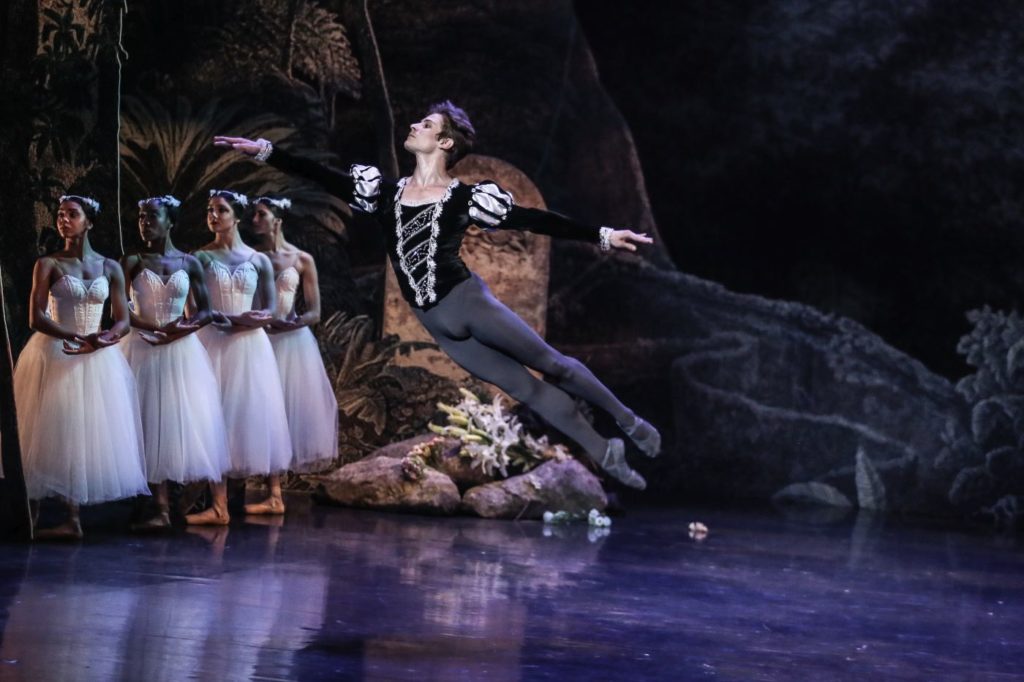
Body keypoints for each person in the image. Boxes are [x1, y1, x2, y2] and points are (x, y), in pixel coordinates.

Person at [214, 101, 660, 489]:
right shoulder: (385, 193)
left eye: (426, 125)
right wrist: (267, 152)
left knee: (551, 365)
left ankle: (629, 420)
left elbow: (531, 219)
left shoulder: (464, 197)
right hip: (437, 324)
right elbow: (325, 177)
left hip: (468, 303)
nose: (415, 126)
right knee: (527, 389)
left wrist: (601, 234)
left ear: (445, 143)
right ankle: (606, 453)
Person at [13, 194, 149, 538]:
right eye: (60, 215)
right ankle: (29, 514)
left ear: (89, 221)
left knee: (81, 431)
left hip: (95, 354)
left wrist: (104, 338)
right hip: (56, 349)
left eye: (72, 214)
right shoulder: (48, 264)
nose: (63, 220)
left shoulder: (110, 267)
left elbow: (122, 320)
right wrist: (75, 335)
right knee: (45, 428)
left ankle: (72, 518)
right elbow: (36, 316)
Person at [121, 195, 231, 529]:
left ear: (171, 221)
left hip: (179, 349)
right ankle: (157, 505)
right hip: (141, 345)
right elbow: (118, 308)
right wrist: (151, 327)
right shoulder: (132, 260)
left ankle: (168, 503)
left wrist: (179, 330)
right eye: (141, 216)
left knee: (172, 422)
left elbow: (205, 310)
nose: (145, 222)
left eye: (153, 216)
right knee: (144, 420)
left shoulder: (189, 262)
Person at [188, 189, 292, 524]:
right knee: (212, 415)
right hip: (213, 339)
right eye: (210, 210)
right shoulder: (200, 258)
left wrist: (247, 320)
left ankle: (274, 495)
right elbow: (194, 307)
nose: (214, 215)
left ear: (236, 216)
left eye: (221, 209)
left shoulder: (258, 260)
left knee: (255, 413)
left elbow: (271, 307)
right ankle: (218, 505)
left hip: (249, 343)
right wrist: (223, 319)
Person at [250, 196, 338, 485]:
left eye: (261, 215)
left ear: (277, 220)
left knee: (287, 411)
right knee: (261, 412)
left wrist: (294, 322)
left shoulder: (301, 259)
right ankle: (257, 484)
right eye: (254, 215)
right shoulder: (253, 257)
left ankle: (276, 493)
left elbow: (315, 310)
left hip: (292, 342)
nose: (255, 221)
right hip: (260, 338)